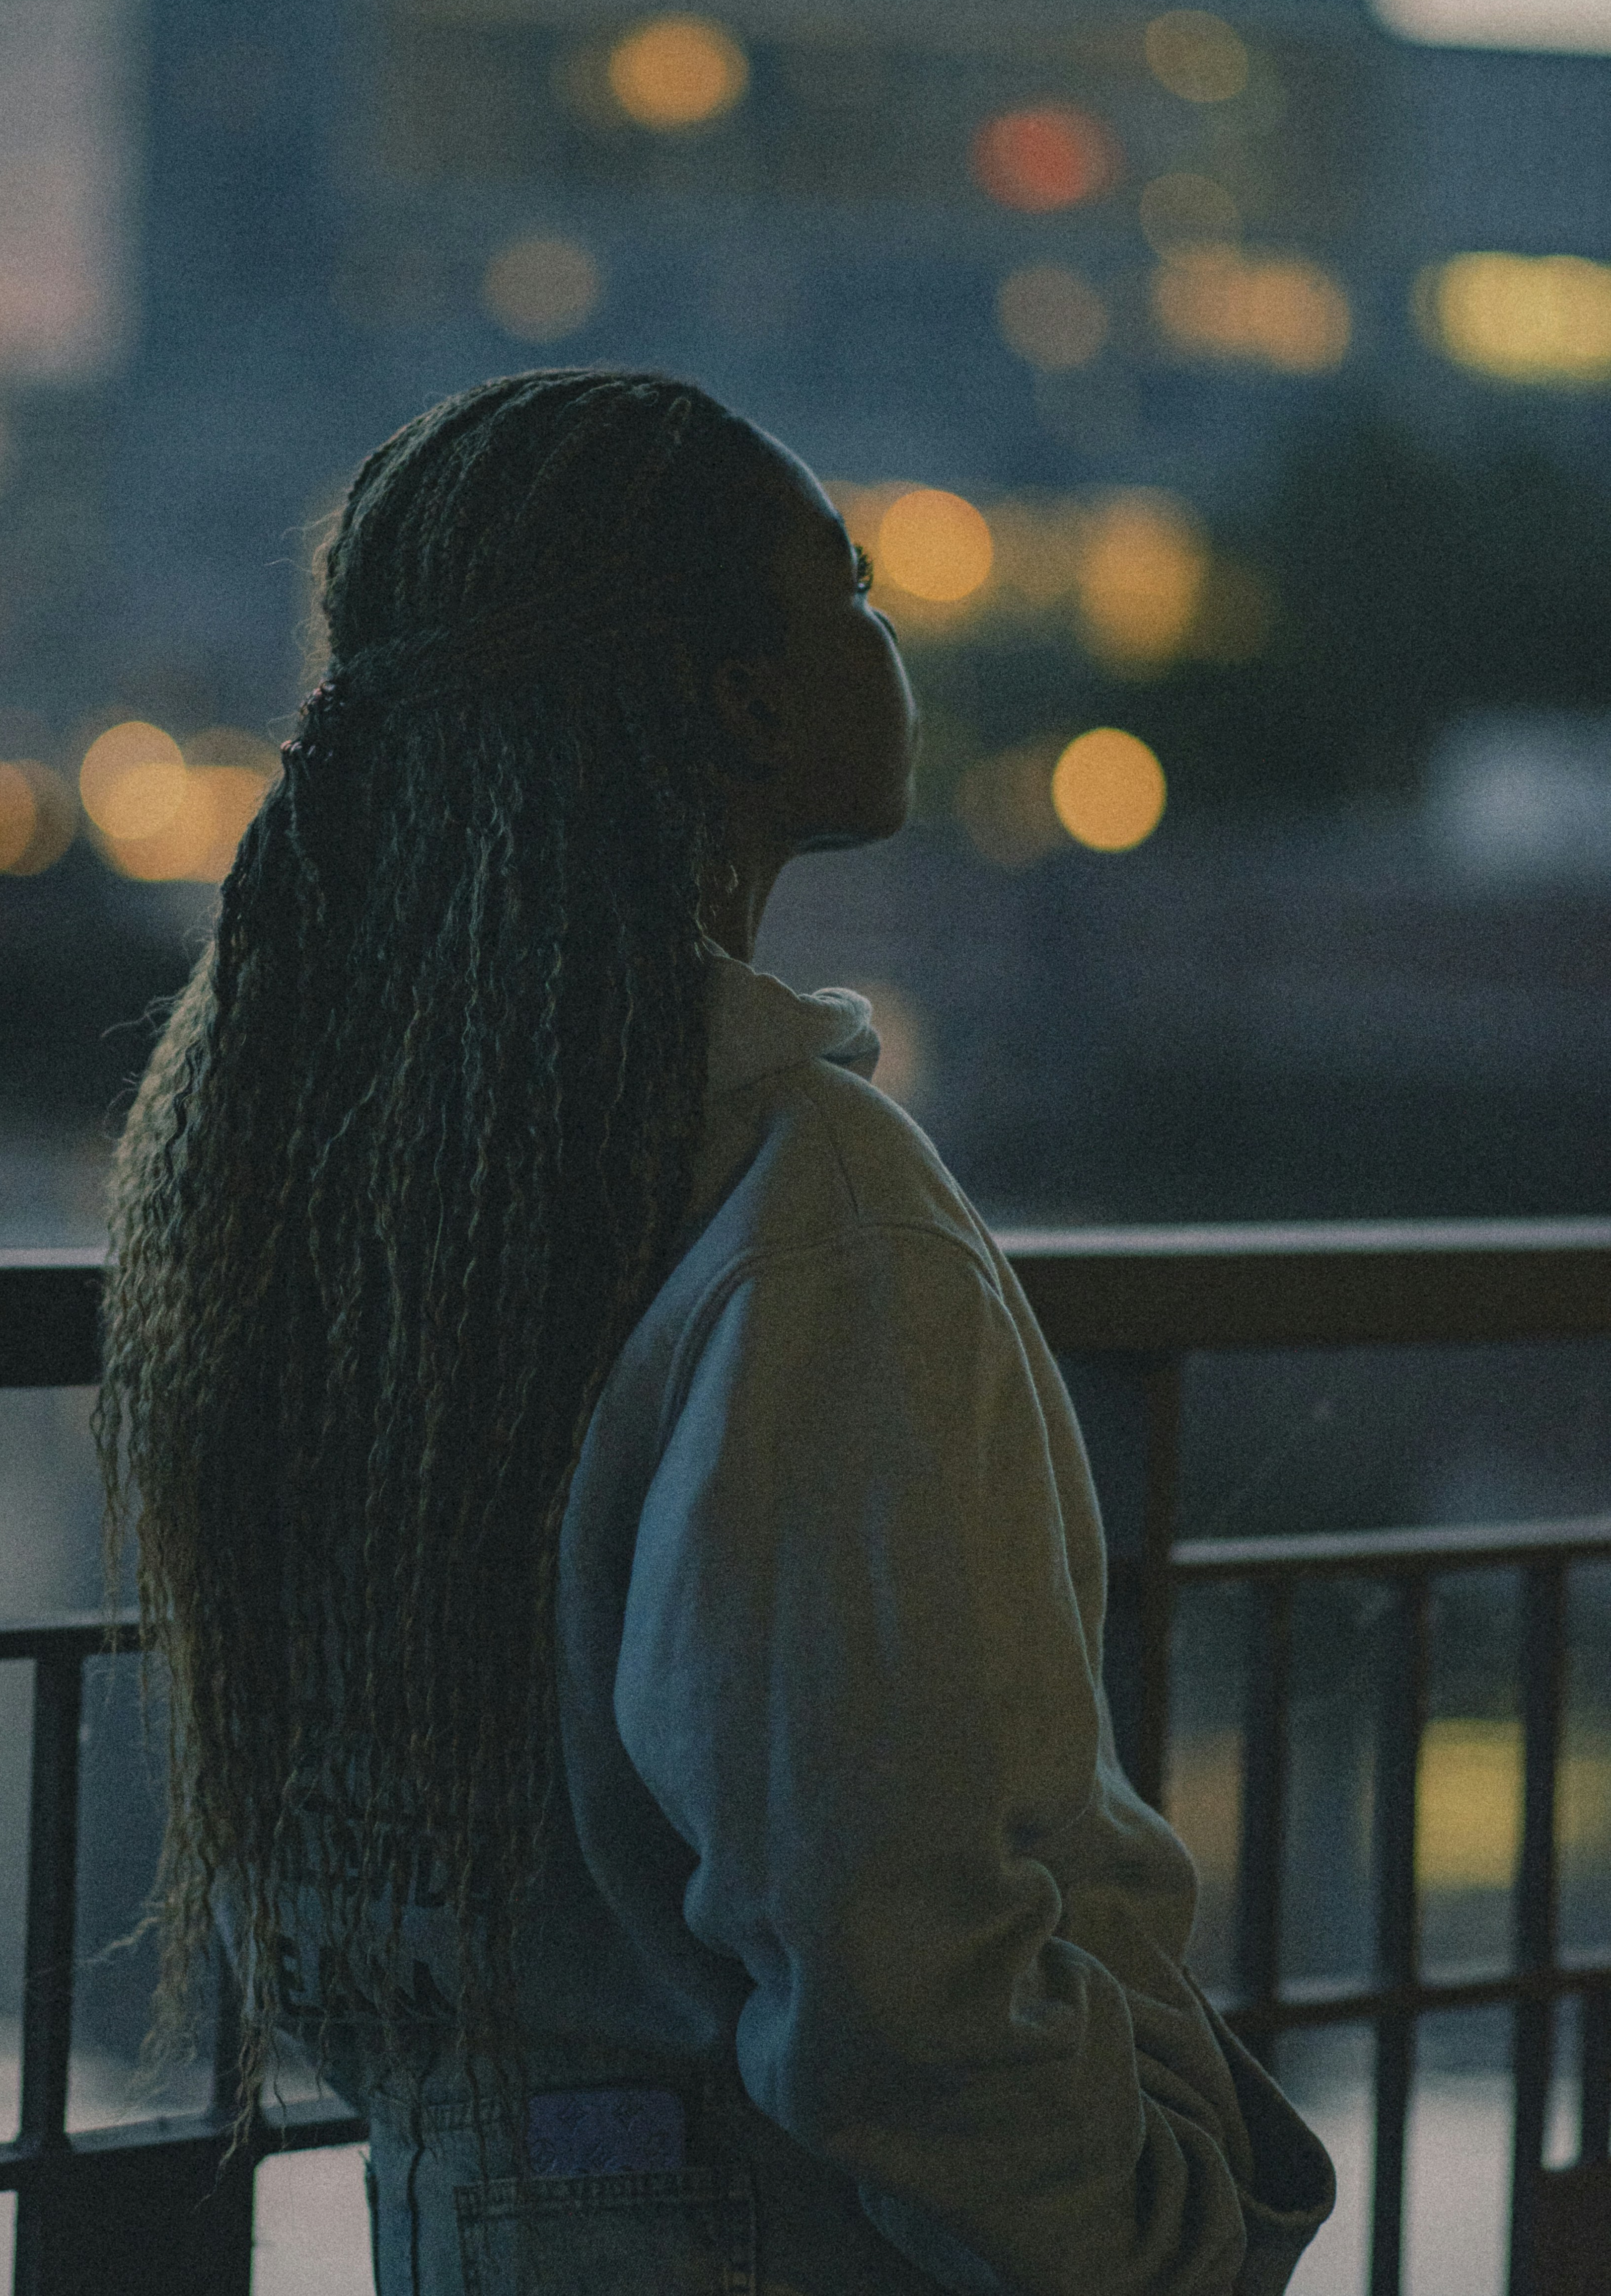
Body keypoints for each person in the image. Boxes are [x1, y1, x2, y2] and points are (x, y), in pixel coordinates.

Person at [98, 368, 1334, 2295]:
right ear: (742, 699)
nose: (887, 641)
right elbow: (892, 1961)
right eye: (851, 592)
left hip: (463, 2202)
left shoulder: (336, 1168)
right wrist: (1155, 2244)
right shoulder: (805, 1204)